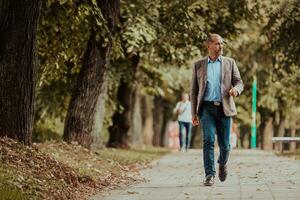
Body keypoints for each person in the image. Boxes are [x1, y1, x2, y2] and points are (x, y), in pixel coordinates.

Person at [190, 33, 244, 186]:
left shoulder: (230, 63)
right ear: (208, 46)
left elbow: (239, 82)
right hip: (206, 108)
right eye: (217, 43)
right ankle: (209, 175)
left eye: (222, 43)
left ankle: (222, 163)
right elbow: (194, 90)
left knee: (225, 145)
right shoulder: (198, 65)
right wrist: (194, 113)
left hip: (224, 108)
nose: (221, 46)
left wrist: (236, 90)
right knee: (208, 140)